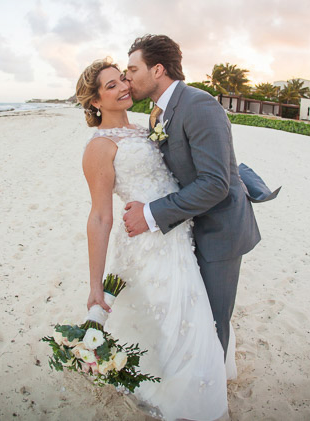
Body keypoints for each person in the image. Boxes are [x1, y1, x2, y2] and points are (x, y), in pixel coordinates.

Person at [78, 57, 228, 421]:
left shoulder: (147, 126)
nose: (123, 87)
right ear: (95, 102)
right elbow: (100, 216)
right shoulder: (99, 146)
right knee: (174, 317)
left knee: (190, 313)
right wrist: (95, 284)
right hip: (147, 243)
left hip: (178, 232)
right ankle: (186, 400)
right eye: (110, 85)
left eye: (122, 80)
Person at [122, 34, 261, 361]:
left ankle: (212, 399)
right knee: (193, 318)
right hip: (188, 229)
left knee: (213, 322)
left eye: (132, 68)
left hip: (220, 231)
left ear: (157, 70)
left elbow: (215, 184)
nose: (126, 77)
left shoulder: (199, 104)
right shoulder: (157, 112)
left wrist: (151, 214)